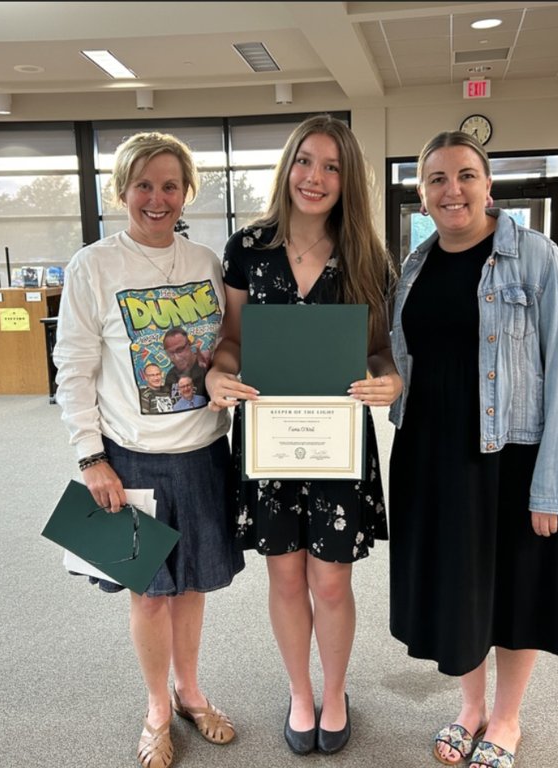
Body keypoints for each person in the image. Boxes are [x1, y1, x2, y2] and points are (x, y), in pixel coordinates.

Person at [205, 114, 401, 756]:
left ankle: (335, 692)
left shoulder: (369, 256)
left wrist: (388, 381)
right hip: (269, 441)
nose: (315, 178)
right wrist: (218, 376)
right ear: (288, 165)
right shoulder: (248, 248)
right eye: (305, 161)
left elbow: (378, 354)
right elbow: (233, 342)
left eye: (332, 167)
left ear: (349, 182)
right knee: (286, 579)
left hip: (336, 443)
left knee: (333, 581)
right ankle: (298, 692)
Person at [387, 131, 558, 768]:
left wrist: (551, 485)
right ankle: (470, 707)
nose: (453, 190)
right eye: (438, 178)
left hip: (511, 453)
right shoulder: (415, 265)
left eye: (466, 175)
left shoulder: (535, 258)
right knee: (458, 586)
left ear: (488, 184)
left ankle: (506, 718)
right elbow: (405, 362)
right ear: (422, 194)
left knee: (517, 588)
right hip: (430, 452)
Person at [53, 131, 244, 768]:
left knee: (192, 588)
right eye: (143, 185)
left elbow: (222, 350)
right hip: (128, 457)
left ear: (186, 191)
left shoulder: (207, 263)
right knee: (149, 593)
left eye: (169, 185)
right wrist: (90, 457)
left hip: (202, 452)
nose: (156, 198)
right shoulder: (93, 266)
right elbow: (73, 370)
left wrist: (221, 375)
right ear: (122, 191)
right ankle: (157, 707)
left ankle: (191, 691)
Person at [162, 327, 210, 397]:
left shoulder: (205, 364)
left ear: (189, 344)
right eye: (171, 353)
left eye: (180, 350)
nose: (177, 358)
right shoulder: (171, 376)